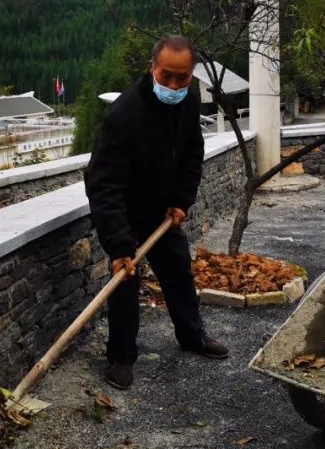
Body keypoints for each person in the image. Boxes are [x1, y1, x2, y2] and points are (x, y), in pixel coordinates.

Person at [84, 34, 228, 390]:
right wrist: (119, 245)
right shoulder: (125, 114)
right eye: (166, 76)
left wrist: (181, 200)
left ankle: (192, 336)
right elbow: (104, 183)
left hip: (161, 209)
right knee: (125, 283)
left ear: (191, 76)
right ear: (152, 68)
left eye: (182, 78)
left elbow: (193, 152)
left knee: (178, 269)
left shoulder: (189, 100)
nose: (174, 85)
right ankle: (121, 356)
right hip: (124, 209)